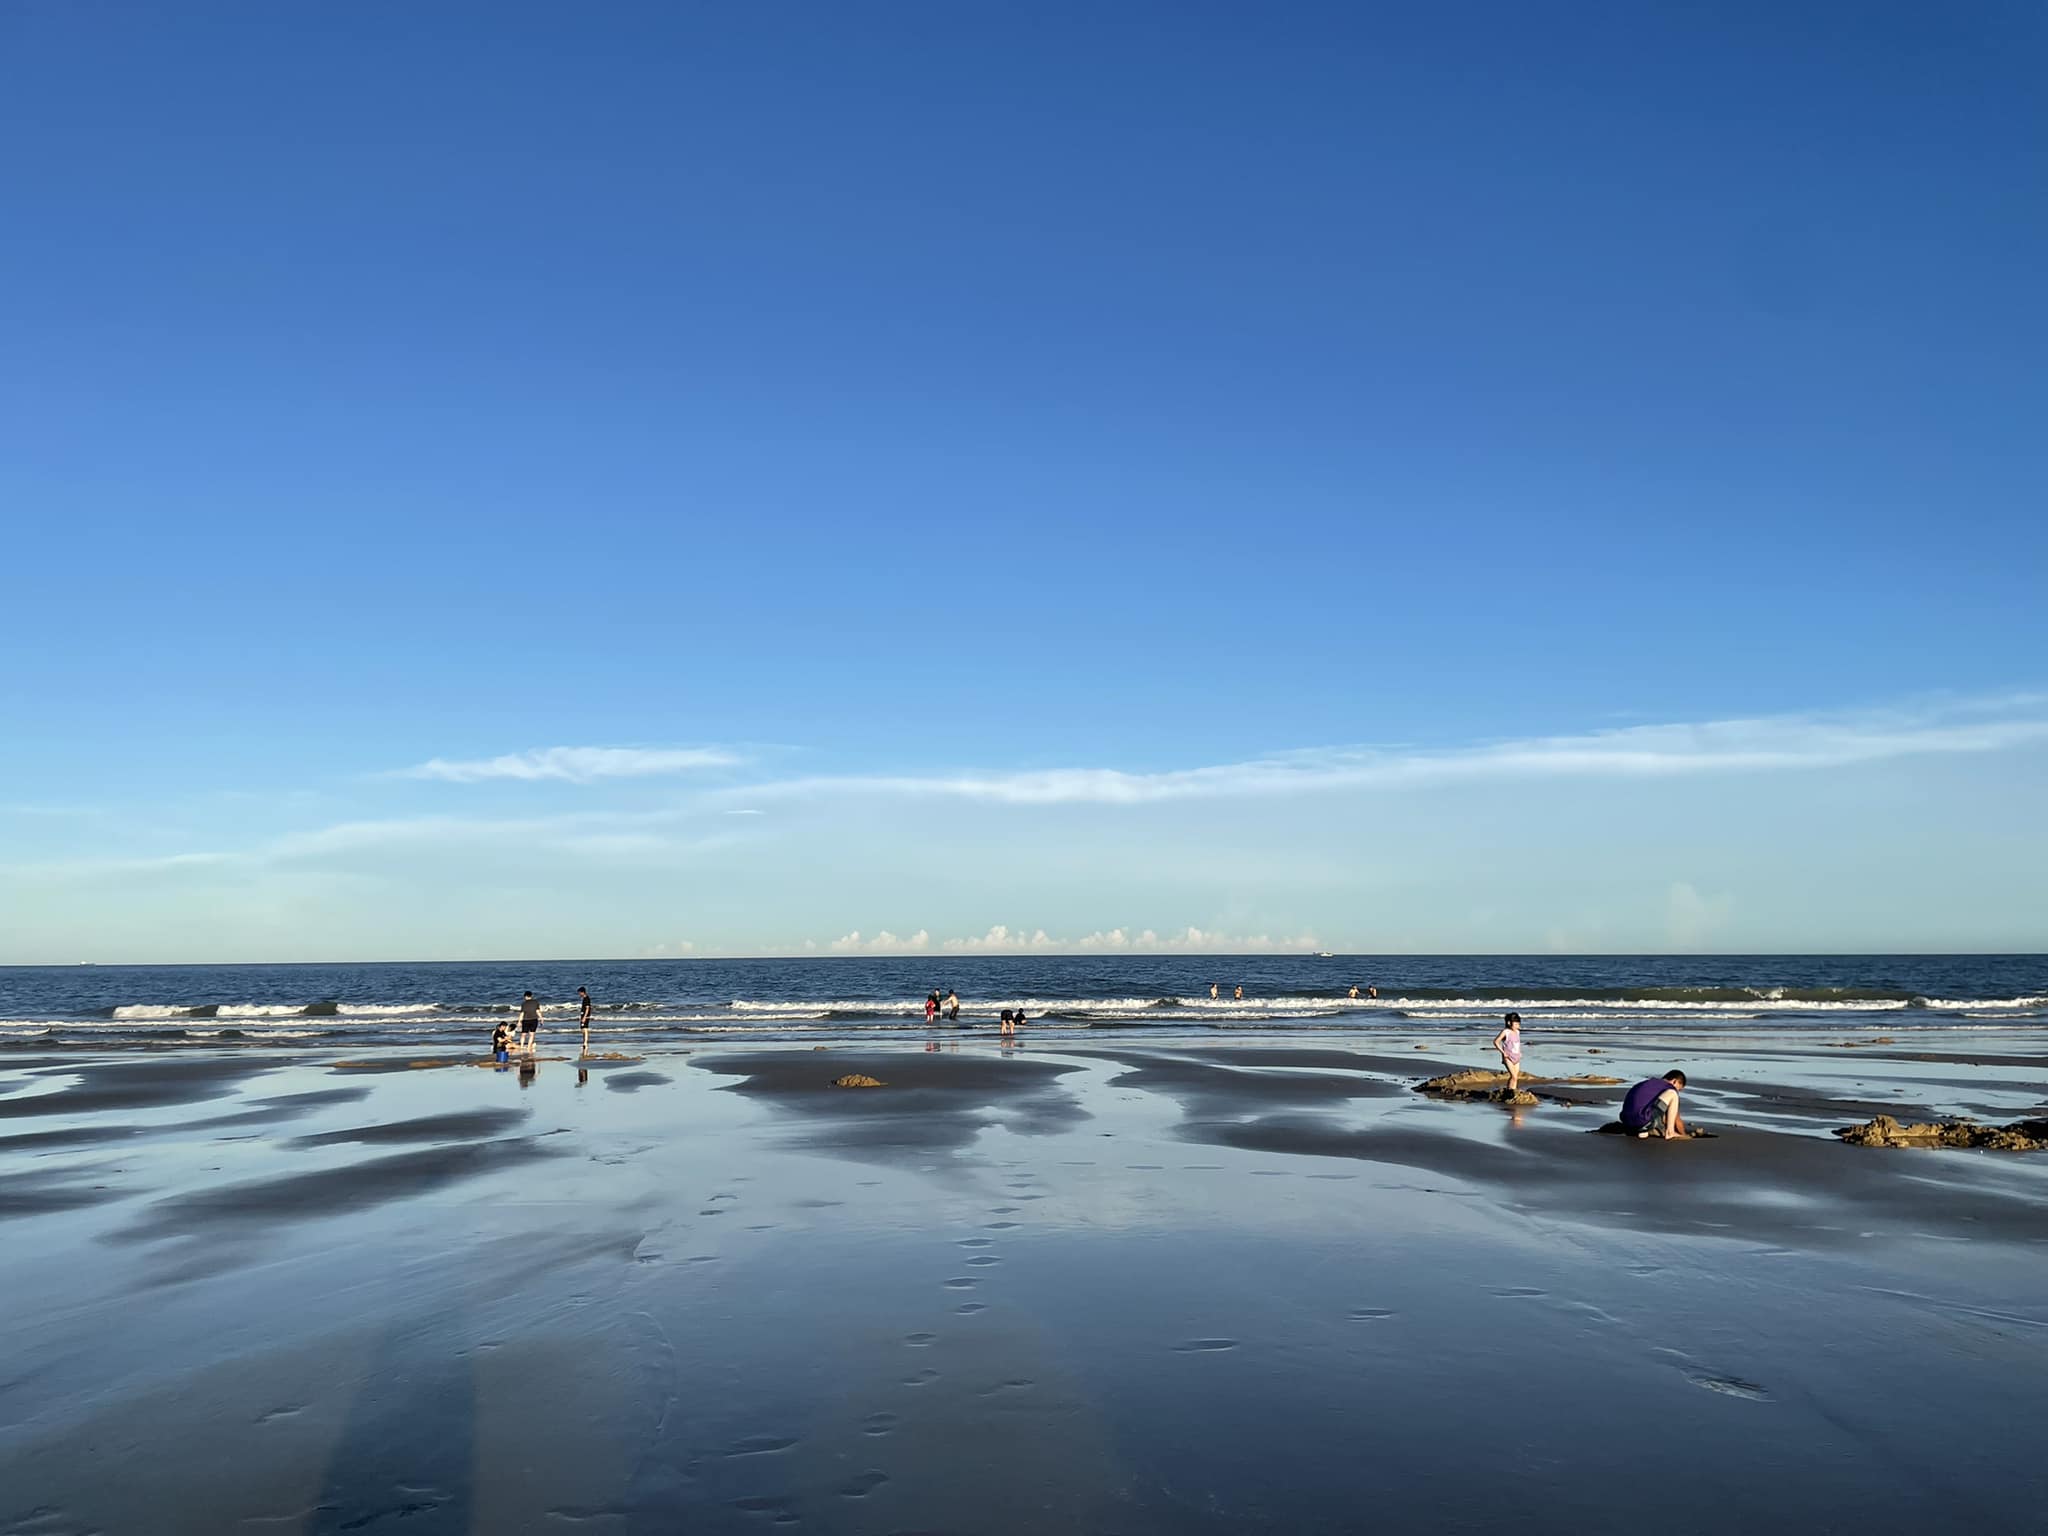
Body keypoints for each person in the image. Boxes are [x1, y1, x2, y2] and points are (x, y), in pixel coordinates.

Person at [1620, 1071, 1689, 1140]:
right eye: (1679, 1089)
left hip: (1626, 1123)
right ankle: (1670, 1132)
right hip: (1642, 1120)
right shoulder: (1669, 1087)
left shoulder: (1647, 1084)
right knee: (1673, 1094)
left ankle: (1642, 1129)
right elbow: (1676, 1119)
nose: (1678, 1091)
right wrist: (1684, 1134)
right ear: (1674, 1081)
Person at [1491, 1012, 1525, 1092]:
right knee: (1513, 1076)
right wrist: (1503, 1052)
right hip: (1508, 1057)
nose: (1518, 1025)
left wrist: (1520, 1053)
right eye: (1516, 1023)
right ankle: (1509, 1092)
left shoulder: (1517, 1032)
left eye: (1518, 1023)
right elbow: (1496, 1041)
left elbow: (1517, 1043)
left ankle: (1513, 1090)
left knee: (1515, 1077)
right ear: (1509, 1023)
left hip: (1516, 1057)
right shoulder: (1506, 1032)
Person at [518, 991, 541, 1056]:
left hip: (525, 1020)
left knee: (523, 1034)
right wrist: (541, 1018)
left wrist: (519, 1021)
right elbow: (538, 1011)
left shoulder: (523, 1004)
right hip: (534, 1019)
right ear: (531, 996)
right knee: (532, 1034)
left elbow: (522, 1013)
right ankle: (528, 1046)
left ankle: (522, 1046)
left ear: (525, 996)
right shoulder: (536, 1002)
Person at [578, 986, 594, 1056]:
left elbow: (587, 1009)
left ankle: (585, 1043)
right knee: (582, 1029)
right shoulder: (584, 999)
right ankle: (584, 1042)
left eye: (579, 993)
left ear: (582, 992)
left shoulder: (587, 999)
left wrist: (584, 1017)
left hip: (585, 1016)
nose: (579, 994)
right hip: (583, 1015)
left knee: (585, 1029)